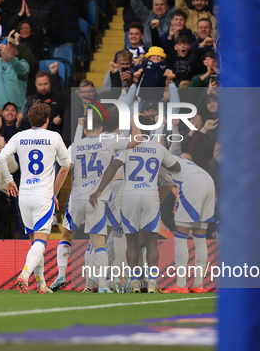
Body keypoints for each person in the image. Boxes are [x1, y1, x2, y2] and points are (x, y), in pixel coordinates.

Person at [50, 108, 141, 293]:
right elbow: (136, 140)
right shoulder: (109, 142)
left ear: (84, 130)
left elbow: (63, 170)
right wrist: (133, 121)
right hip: (96, 199)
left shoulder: (74, 146)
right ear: (101, 128)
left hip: (75, 198)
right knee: (98, 242)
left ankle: (61, 275)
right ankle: (101, 285)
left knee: (66, 236)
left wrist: (53, 195)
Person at [90, 115, 181, 293]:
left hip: (130, 196)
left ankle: (134, 282)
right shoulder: (158, 148)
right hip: (150, 196)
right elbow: (176, 167)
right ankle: (153, 281)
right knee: (151, 242)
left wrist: (99, 189)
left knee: (131, 241)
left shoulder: (127, 147)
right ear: (151, 130)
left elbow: (113, 167)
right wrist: (162, 167)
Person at [0, 101, 70, 293]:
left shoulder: (19, 136)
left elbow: (1, 157)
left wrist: (9, 180)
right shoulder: (54, 137)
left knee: (35, 241)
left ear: (30, 119)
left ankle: (41, 284)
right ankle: (24, 274)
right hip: (43, 195)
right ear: (47, 120)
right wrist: (54, 194)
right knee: (41, 241)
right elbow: (65, 167)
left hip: (24, 195)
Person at [158, 153, 216, 292]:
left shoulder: (153, 160)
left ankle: (181, 285)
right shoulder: (172, 157)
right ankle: (198, 285)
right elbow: (163, 191)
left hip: (191, 183)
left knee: (180, 237)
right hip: (208, 180)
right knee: (200, 238)